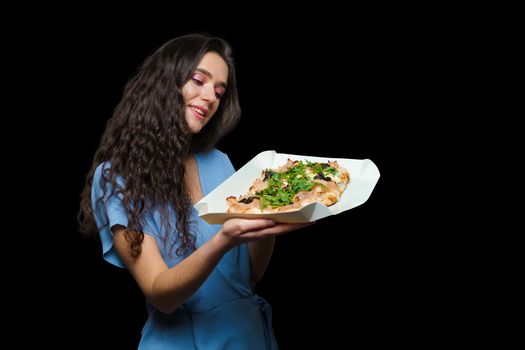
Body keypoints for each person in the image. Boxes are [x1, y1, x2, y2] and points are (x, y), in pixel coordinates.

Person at [78, 33, 312, 349]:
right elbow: (161, 293)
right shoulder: (118, 177)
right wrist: (224, 239)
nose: (211, 97)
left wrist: (268, 219)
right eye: (198, 80)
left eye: (219, 91)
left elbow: (249, 275)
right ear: (164, 83)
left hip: (249, 335)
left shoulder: (220, 163)